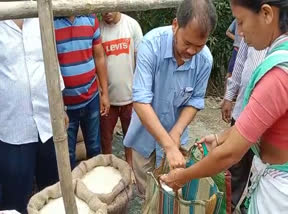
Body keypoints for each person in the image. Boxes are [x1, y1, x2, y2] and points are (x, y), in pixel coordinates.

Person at [161, 1, 288, 213]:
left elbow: (229, 155)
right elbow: (258, 124)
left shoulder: (278, 76)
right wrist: (221, 137)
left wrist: (182, 177)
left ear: (266, 13)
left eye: (241, 21)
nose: (240, 32)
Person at [0, 18, 65, 213]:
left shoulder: (39, 11)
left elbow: (52, 63)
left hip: (48, 124)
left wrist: (60, 108)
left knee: (52, 193)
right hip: (11, 132)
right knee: (14, 201)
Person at [123, 0, 217, 197]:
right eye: (187, 43)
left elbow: (195, 101)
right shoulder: (150, 45)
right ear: (175, 25)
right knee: (147, 194)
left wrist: (176, 132)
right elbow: (140, 101)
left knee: (171, 194)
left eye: (199, 46)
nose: (191, 51)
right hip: (144, 138)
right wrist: (168, 144)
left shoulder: (205, 59)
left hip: (177, 140)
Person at [54, 14, 110, 169]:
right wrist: (57, 105)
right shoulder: (50, 22)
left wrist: (105, 93)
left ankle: (97, 188)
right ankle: (72, 191)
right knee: (67, 154)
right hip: (65, 105)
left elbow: (99, 57)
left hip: (91, 98)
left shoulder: (90, 18)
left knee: (94, 148)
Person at [221, 40, 267, 212]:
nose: (240, 30)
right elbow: (240, 63)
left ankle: (248, 206)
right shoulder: (249, 32)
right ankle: (228, 206)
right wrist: (229, 96)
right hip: (242, 110)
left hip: (268, 121)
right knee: (236, 164)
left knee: (259, 166)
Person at [99, 12, 143, 167]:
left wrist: (140, 92)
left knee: (130, 137)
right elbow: (97, 64)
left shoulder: (132, 25)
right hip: (108, 98)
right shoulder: (99, 30)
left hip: (130, 96)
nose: (108, 12)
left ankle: (130, 167)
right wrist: (101, 93)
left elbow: (141, 60)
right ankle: (107, 168)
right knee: (105, 138)